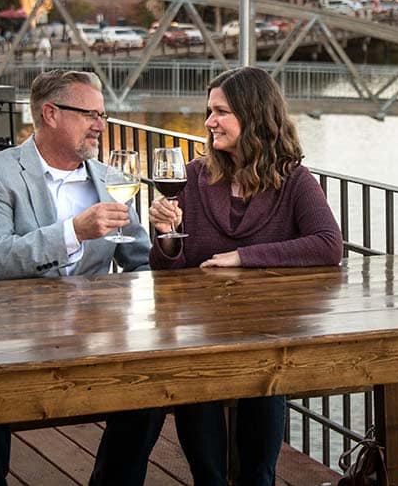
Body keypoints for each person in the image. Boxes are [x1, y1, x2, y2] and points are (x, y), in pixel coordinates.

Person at [0, 70, 165, 486]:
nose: (100, 126)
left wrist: (169, 242)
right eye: (90, 114)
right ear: (50, 114)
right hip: (9, 335)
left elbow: (140, 260)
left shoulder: (110, 179)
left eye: (102, 115)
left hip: (91, 335)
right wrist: (73, 232)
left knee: (153, 386)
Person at [148, 66, 343, 486]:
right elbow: (170, 268)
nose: (209, 121)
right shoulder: (194, 176)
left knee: (259, 449)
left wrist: (243, 256)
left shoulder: (293, 180)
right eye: (209, 111)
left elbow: (329, 245)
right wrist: (165, 237)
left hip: (264, 331)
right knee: (206, 457)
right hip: (201, 336)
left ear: (253, 116)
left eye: (221, 111)